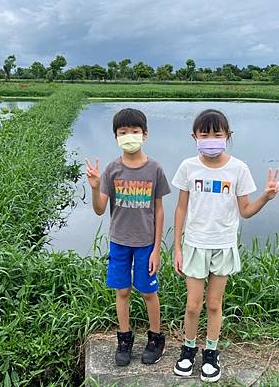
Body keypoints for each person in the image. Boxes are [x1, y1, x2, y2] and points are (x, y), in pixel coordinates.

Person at [171, 109, 279, 383]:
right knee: (193, 305)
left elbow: (245, 210)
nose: (211, 139)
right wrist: (177, 247)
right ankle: (188, 349)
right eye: (204, 134)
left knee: (214, 304)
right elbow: (181, 208)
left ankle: (211, 352)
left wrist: (265, 197)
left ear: (227, 136)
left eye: (217, 134)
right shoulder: (188, 167)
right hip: (195, 244)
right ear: (194, 136)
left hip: (223, 245)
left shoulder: (238, 168)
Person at [85, 108, 171, 366]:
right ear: (116, 137)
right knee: (122, 291)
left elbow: (159, 210)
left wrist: (157, 249)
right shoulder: (112, 169)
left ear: (145, 134)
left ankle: (156, 338)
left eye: (134, 131)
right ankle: (124, 338)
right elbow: (100, 209)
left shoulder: (155, 168)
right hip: (119, 242)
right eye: (123, 132)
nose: (129, 136)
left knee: (147, 292)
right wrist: (95, 187)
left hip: (145, 243)